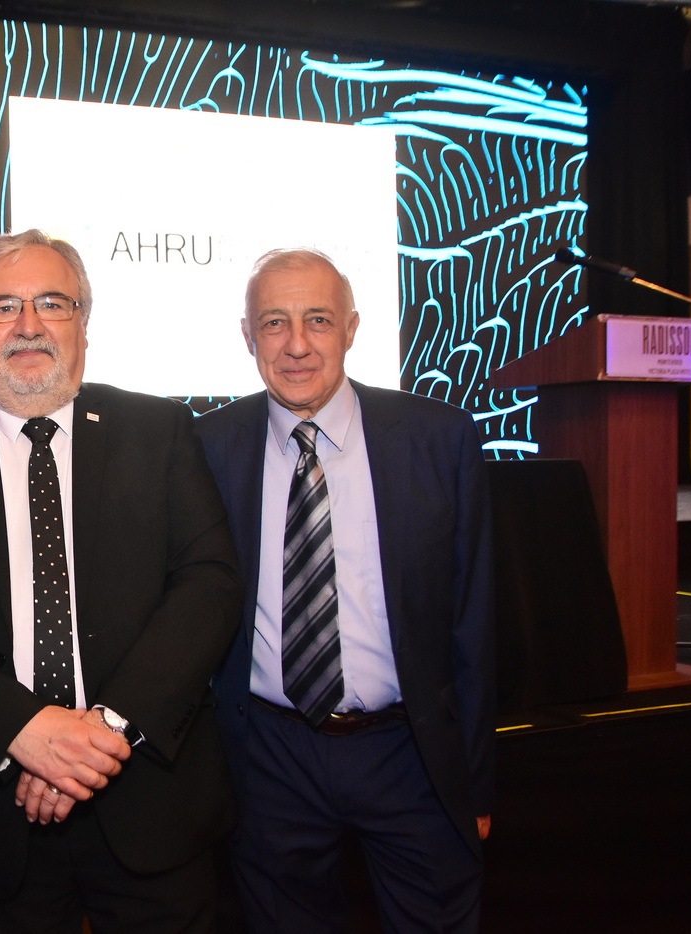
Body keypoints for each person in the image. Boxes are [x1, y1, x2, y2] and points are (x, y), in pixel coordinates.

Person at [0, 229, 241, 933]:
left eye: (51, 302)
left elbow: (209, 585)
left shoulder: (160, 431)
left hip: (151, 805)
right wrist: (25, 730)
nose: (29, 324)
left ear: (84, 322)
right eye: (2, 306)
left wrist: (99, 735)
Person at [195, 248, 495, 933]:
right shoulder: (206, 447)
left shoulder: (439, 438)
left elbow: (474, 622)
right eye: (274, 322)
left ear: (352, 328)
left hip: (411, 753)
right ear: (247, 336)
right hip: (269, 759)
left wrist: (474, 781)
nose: (296, 345)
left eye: (319, 320)